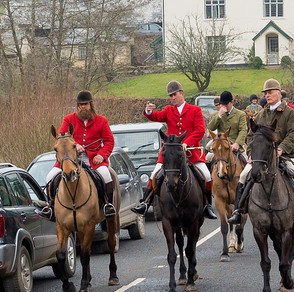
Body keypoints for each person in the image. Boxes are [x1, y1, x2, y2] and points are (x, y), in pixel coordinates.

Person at [227, 78, 294, 227]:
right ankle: (238, 211)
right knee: (244, 175)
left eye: (270, 93)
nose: (267, 95)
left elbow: (292, 134)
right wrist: (252, 154)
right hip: (262, 158)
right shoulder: (260, 115)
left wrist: (281, 148)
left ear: (278, 93)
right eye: (266, 93)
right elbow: (251, 136)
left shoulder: (289, 112)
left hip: (284, 155)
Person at [131, 80, 217, 219]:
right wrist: (149, 111)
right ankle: (145, 203)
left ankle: (207, 206)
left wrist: (186, 143)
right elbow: (156, 116)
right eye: (170, 96)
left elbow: (200, 130)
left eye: (174, 95)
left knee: (206, 176)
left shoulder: (195, 110)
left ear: (182, 94)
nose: (172, 98)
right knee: (154, 175)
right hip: (170, 155)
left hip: (190, 153)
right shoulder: (168, 110)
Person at [39, 91, 116, 220]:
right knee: (50, 176)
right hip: (70, 158)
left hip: (93, 159)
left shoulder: (102, 121)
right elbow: (61, 137)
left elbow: (109, 141)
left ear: (91, 104)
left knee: (106, 175)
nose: (82, 107)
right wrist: (76, 144)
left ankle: (107, 205)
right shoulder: (69, 119)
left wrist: (101, 156)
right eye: (80, 105)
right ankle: (50, 207)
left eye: (85, 104)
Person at [206, 90, 248, 163]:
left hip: (235, 146)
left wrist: (237, 143)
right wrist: (219, 115)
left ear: (232, 102)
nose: (224, 106)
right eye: (222, 104)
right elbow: (211, 127)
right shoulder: (216, 114)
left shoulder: (241, 114)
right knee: (208, 159)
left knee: (247, 162)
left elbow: (243, 130)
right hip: (220, 145)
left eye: (226, 104)